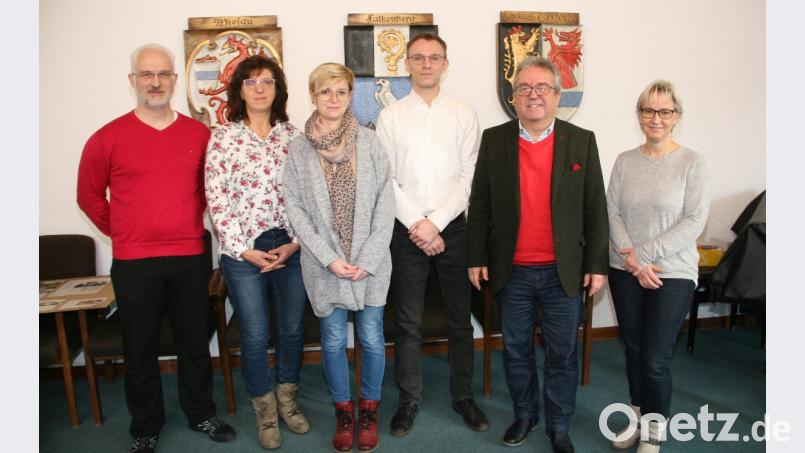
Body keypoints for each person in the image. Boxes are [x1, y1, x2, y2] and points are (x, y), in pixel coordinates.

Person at [76, 43, 235, 453]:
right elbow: (88, 196)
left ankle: (200, 412)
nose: (155, 82)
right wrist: (126, 231)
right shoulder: (106, 138)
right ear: (133, 81)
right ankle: (145, 425)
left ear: (174, 80)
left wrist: (181, 223)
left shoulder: (199, 134)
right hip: (134, 262)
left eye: (163, 74)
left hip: (189, 256)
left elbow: (209, 191)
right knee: (140, 349)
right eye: (146, 74)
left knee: (194, 343)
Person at [466, 56, 609, 453]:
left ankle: (559, 425)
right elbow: (479, 205)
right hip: (512, 271)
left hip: (564, 272)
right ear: (513, 98)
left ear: (557, 96)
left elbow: (595, 207)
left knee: (562, 354)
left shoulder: (581, 140)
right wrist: (475, 256)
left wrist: (597, 265)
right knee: (516, 350)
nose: (533, 95)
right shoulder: (495, 140)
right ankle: (525, 416)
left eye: (542, 88)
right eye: (524, 88)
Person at [375, 32, 489, 437]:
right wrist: (418, 225)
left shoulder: (463, 114)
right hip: (405, 229)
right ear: (407, 64)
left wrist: (436, 223)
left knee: (460, 319)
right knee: (407, 322)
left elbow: (468, 177)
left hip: (453, 228)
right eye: (418, 58)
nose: (426, 64)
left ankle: (463, 397)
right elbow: (384, 179)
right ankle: (409, 400)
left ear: (445, 63)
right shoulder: (391, 117)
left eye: (434, 58)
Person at [282, 62, 394, 453]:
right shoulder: (298, 148)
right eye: (325, 91)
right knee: (331, 341)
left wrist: (368, 256)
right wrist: (330, 259)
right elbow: (295, 208)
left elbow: (385, 203)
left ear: (351, 96)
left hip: (370, 264)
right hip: (322, 265)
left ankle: (369, 409)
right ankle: (344, 412)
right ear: (313, 96)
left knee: (371, 337)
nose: (334, 99)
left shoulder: (370, 141)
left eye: (342, 91)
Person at [205, 54, 310, 450]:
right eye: (250, 82)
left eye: (267, 81)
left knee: (291, 329)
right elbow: (216, 200)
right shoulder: (223, 137)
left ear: (278, 88)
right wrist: (243, 250)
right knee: (253, 333)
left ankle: (287, 400)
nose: (260, 88)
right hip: (243, 252)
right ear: (239, 91)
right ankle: (265, 412)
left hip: (289, 247)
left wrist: (296, 243)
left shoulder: (294, 136)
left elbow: (307, 199)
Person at [606, 80, 708, 453]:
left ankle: (654, 429)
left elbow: (694, 221)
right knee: (633, 348)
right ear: (639, 115)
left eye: (664, 111)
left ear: (676, 116)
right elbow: (612, 212)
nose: (656, 118)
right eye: (648, 110)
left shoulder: (692, 163)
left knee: (655, 357)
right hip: (625, 269)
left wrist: (643, 256)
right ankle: (637, 415)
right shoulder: (624, 161)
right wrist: (632, 259)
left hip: (673, 273)